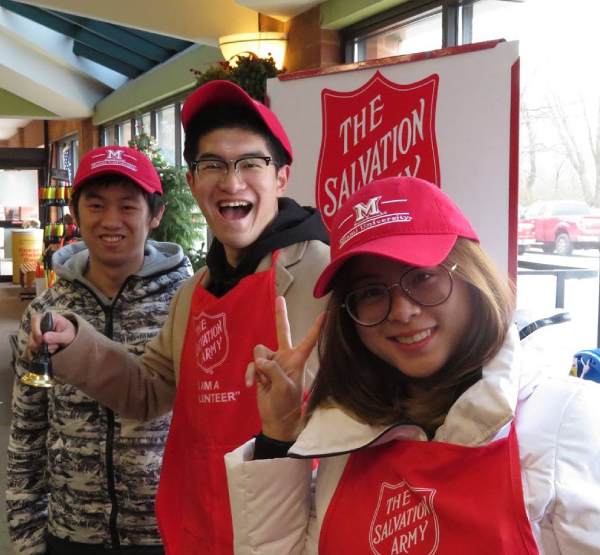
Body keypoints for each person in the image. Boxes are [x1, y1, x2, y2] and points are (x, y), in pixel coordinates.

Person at [27, 80, 331, 555]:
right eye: (213, 165)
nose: (232, 182)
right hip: (204, 524)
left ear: (282, 178)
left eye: (251, 162)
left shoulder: (324, 274)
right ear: (192, 183)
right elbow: (149, 391)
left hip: (290, 532)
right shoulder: (197, 290)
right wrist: (75, 345)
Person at [225, 175, 600, 555]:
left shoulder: (566, 422)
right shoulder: (347, 433)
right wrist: (278, 433)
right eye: (371, 292)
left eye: (422, 276)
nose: (403, 311)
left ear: (472, 276)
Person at [7, 145, 193, 555]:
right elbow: (27, 433)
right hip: (72, 533)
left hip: (170, 533)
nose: (111, 221)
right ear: (75, 213)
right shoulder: (45, 313)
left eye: (128, 206)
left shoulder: (190, 305)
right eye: (96, 205)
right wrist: (26, 539)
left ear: (155, 215)